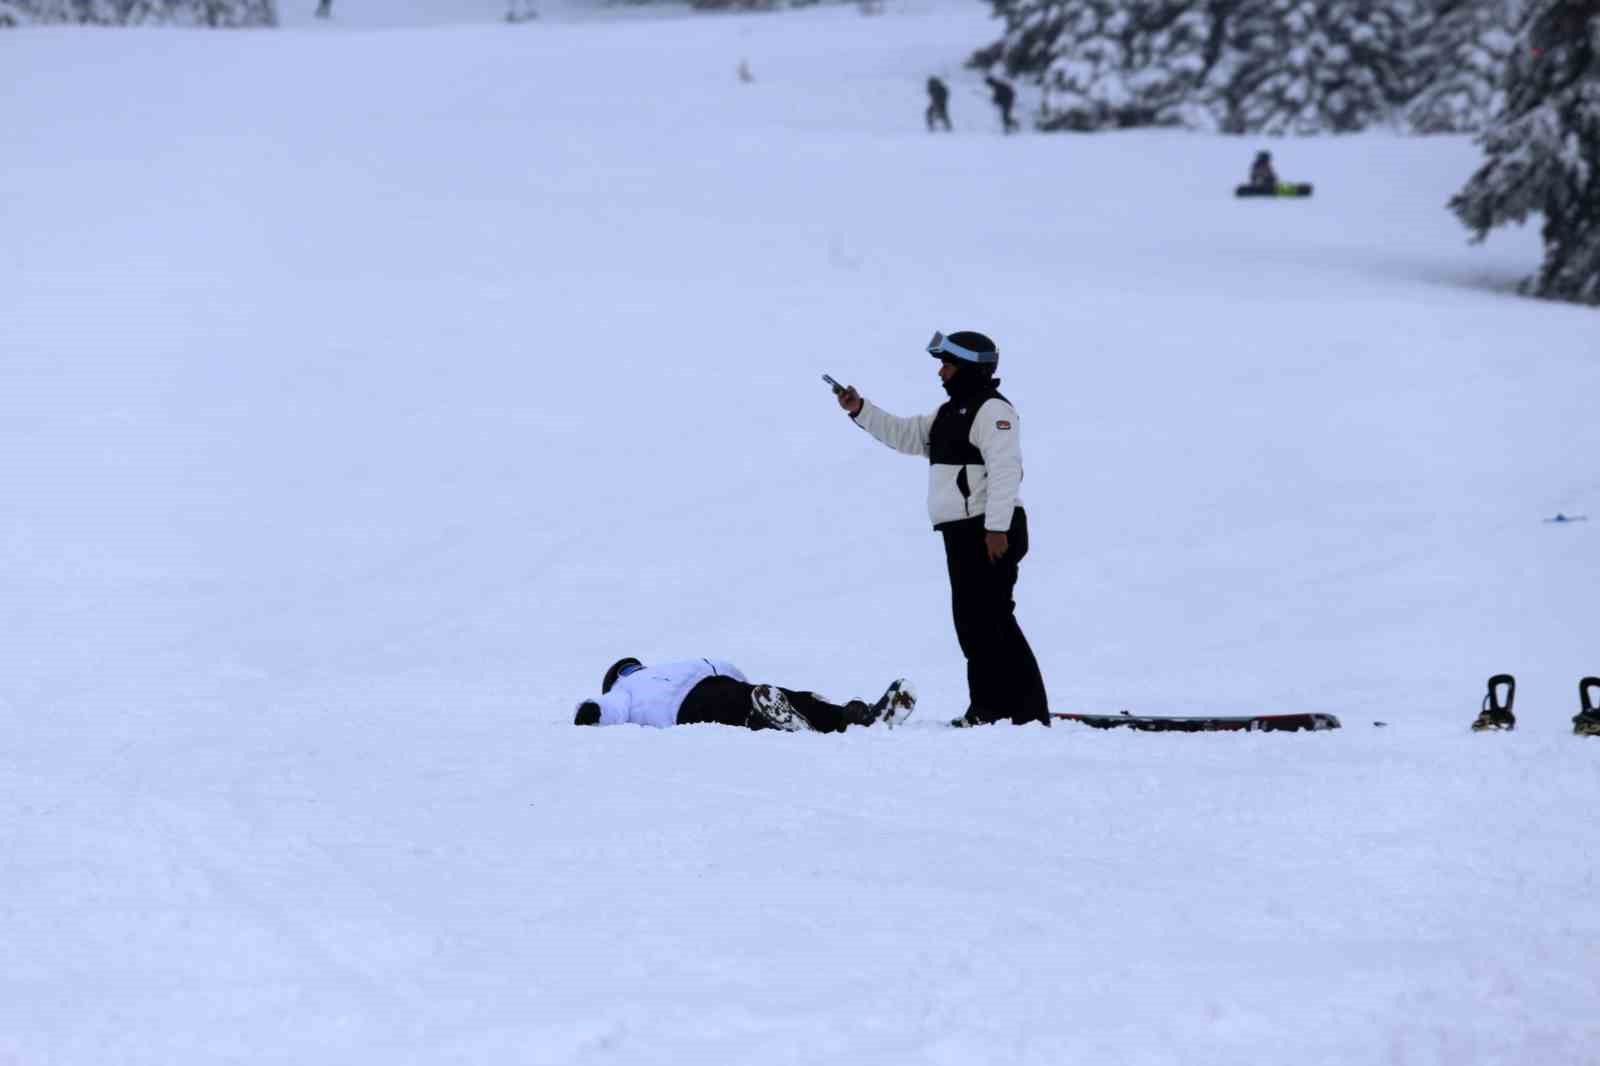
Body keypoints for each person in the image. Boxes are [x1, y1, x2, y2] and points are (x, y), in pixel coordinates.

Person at [833, 331, 1049, 727]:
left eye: (947, 364)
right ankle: (1003, 709)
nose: (941, 371)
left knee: (991, 621)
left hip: (989, 531)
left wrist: (996, 529)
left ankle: (1013, 711)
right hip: (964, 532)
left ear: (969, 368)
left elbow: (1005, 472)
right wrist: (860, 409)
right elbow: (904, 434)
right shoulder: (950, 413)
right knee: (976, 623)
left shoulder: (992, 411)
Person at [573, 656, 916, 733]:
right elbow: (610, 708)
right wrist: (592, 711)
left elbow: (710, 663)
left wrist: (744, 682)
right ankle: (766, 713)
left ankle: (849, 717)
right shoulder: (623, 690)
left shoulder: (665, 666)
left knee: (781, 695)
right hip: (684, 706)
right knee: (733, 706)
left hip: (713, 683)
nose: (632, 671)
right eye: (626, 669)